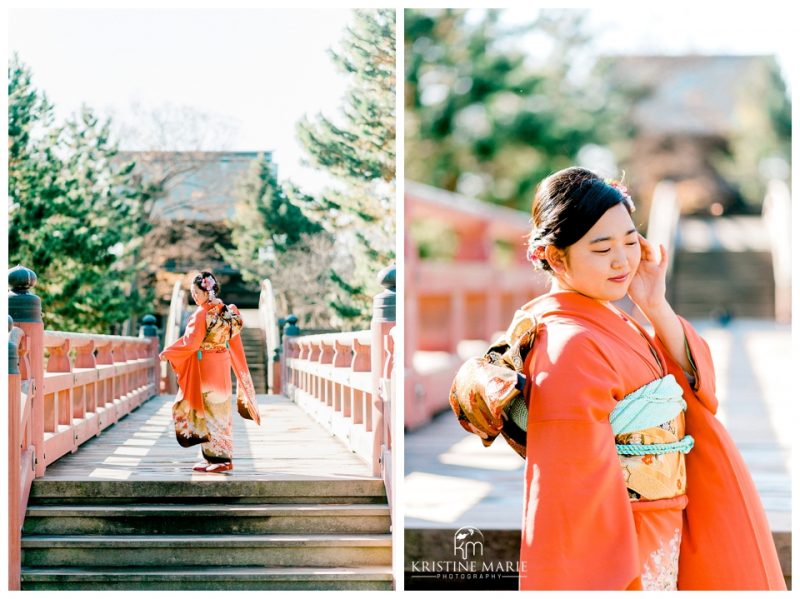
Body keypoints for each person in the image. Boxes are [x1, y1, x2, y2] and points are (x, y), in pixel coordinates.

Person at [452, 167, 785, 590]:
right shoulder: (568, 343)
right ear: (555, 257)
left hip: (662, 519)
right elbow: (573, 486)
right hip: (625, 534)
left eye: (630, 241)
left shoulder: (610, 320)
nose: (623, 259)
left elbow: (697, 388)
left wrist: (654, 304)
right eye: (602, 247)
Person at [160, 271, 261, 473]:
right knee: (219, 408)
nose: (194, 296)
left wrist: (168, 352)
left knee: (211, 410)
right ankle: (212, 458)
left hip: (206, 365)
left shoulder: (201, 314)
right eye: (192, 292)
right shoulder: (227, 310)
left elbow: (191, 343)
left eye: (197, 292)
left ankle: (222, 459)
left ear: (207, 292)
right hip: (222, 363)